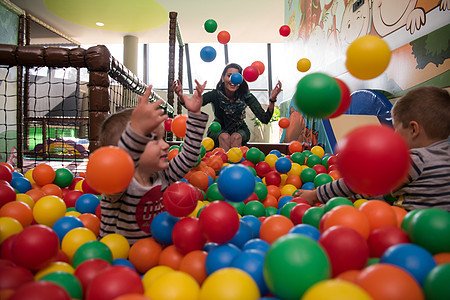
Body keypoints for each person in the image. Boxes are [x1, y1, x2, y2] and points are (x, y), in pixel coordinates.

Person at [295, 86, 450, 211]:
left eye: (396, 129)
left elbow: (361, 183)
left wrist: (316, 195)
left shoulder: (415, 159)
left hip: (413, 232)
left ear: (413, 129)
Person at [98, 81, 209, 245]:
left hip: (157, 256)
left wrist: (194, 114)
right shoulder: (120, 184)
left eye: (163, 138)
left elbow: (190, 156)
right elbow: (123, 160)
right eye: (154, 139)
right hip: (120, 259)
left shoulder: (163, 175)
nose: (165, 145)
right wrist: (136, 132)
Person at [173, 63, 282, 151]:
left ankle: (235, 172)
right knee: (224, 136)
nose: (232, 80)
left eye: (236, 76)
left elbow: (265, 118)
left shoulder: (246, 96)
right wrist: (180, 95)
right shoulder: (215, 94)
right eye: (229, 75)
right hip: (218, 128)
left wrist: (272, 99)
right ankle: (222, 172)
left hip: (240, 130)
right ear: (223, 78)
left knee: (236, 137)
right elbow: (192, 106)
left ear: (241, 80)